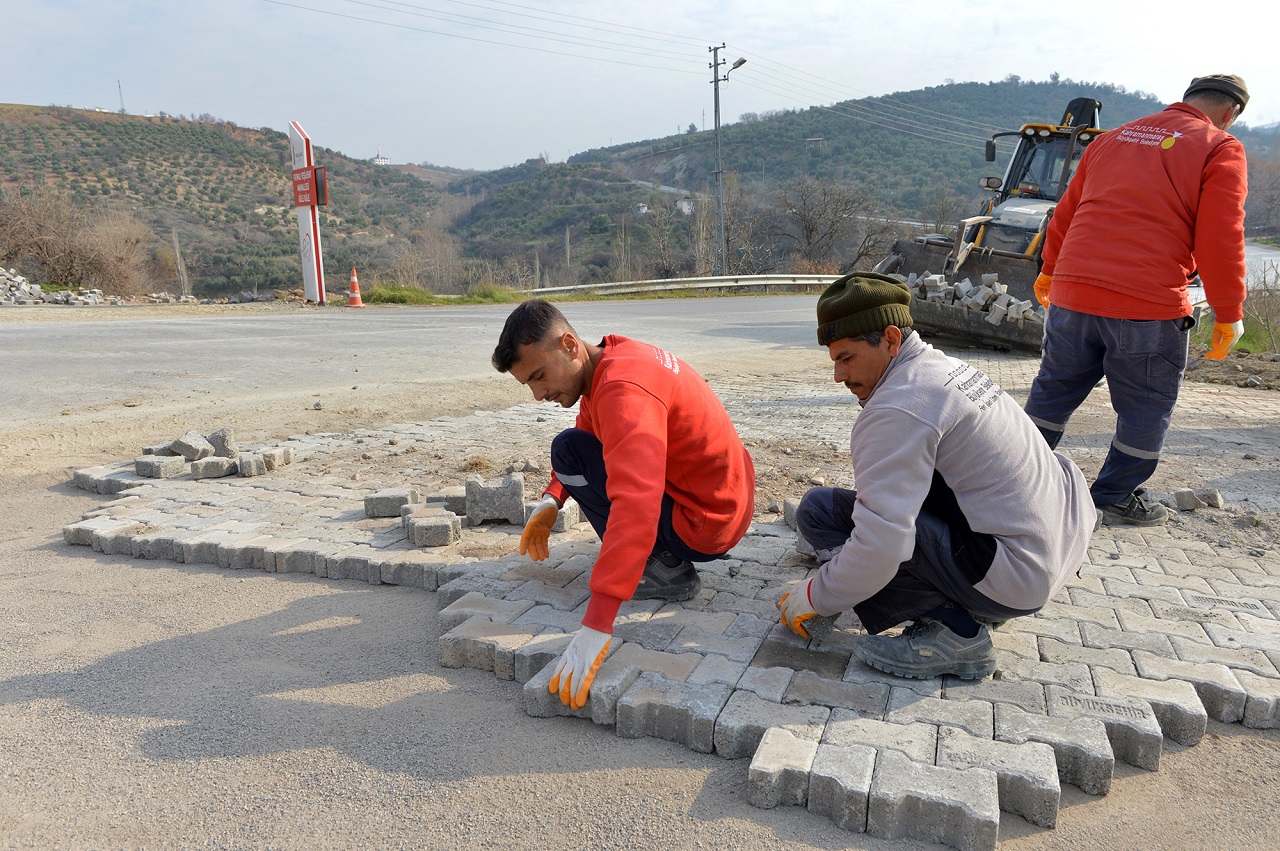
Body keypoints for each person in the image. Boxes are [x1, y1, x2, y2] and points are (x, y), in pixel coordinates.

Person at [777, 273, 1095, 680]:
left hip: (1017, 573)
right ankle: (972, 599)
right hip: (1051, 554)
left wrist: (815, 595)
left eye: (847, 358)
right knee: (830, 509)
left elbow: (881, 545)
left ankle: (955, 631)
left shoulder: (898, 407)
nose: (838, 376)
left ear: (891, 339)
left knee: (828, 518)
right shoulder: (946, 369)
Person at [492, 299, 755, 708]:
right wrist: (551, 501)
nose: (538, 394)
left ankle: (666, 567)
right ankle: (656, 555)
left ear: (568, 345)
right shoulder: (613, 359)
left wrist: (597, 621)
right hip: (721, 501)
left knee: (573, 453)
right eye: (529, 384)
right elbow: (589, 434)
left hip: (705, 524)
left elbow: (636, 501)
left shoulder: (622, 389)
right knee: (571, 449)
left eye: (539, 376)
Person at [1025, 74, 1251, 527]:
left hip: (1073, 292)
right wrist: (1229, 312)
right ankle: (1113, 495)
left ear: (1185, 100)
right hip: (1146, 304)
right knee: (1146, 405)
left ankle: (1007, 477)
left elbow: (1067, 211)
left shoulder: (1112, 139)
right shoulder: (1219, 146)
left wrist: (1050, 269)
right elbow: (1220, 237)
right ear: (1230, 115)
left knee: (1053, 391)